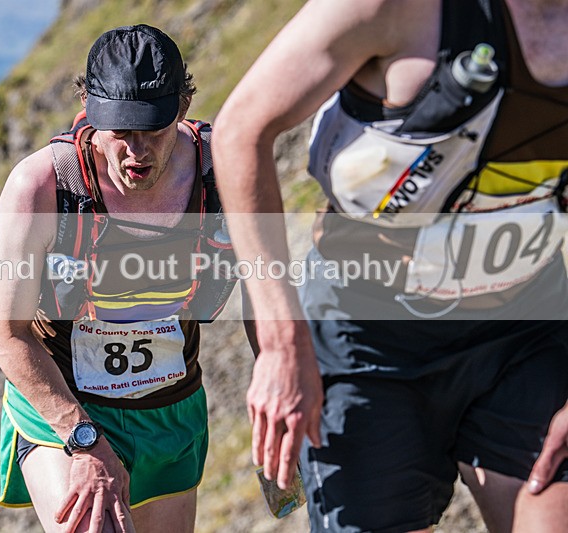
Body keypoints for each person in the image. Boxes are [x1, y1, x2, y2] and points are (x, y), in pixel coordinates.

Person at [213, 0, 568, 531]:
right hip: (367, 338)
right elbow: (241, 129)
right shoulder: (395, 8)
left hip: (526, 331)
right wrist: (283, 342)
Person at [0, 25, 235, 533]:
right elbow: (4, 332)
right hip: (65, 406)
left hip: (171, 408)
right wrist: (83, 439)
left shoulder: (225, 171)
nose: (136, 152)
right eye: (119, 131)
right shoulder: (42, 187)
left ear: (183, 107)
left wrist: (283, 375)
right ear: (89, 110)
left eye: (153, 129)